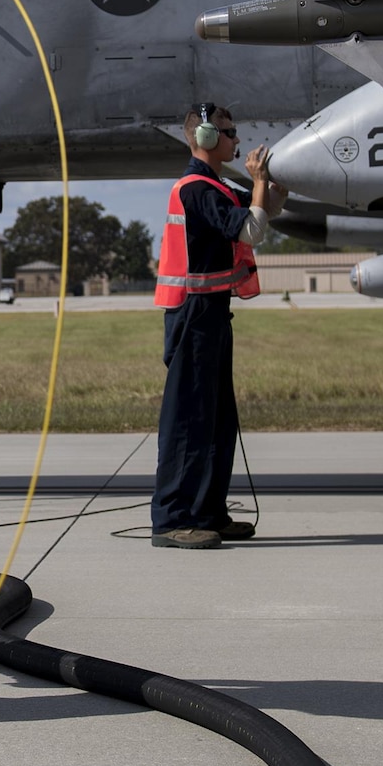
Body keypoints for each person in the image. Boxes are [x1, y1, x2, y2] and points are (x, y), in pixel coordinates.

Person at [150, 102, 286, 550]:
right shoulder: (196, 189)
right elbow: (250, 231)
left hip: (213, 315)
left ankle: (209, 512)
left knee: (217, 419)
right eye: (228, 132)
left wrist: (273, 184)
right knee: (189, 420)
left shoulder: (218, 186)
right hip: (193, 315)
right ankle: (173, 519)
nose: (236, 140)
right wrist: (260, 184)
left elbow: (264, 212)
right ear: (205, 138)